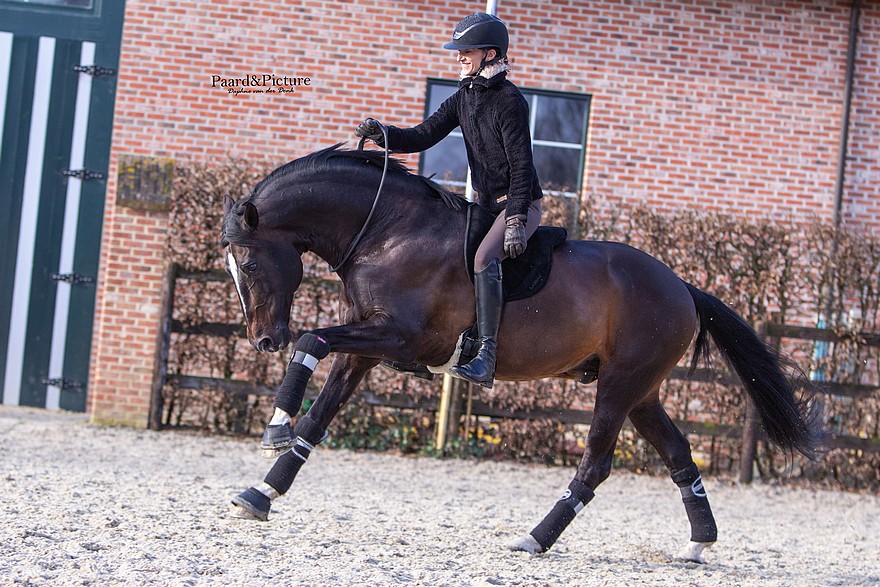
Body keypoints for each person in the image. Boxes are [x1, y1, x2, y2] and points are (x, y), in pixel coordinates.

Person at [355, 12, 543, 389]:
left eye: (466, 51)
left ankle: (486, 356)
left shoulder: (509, 102)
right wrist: (384, 134)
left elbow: (523, 167)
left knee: (483, 258)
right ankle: (434, 351)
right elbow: (423, 135)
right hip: (487, 206)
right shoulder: (463, 98)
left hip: (519, 204)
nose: (459, 57)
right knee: (445, 255)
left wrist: (517, 220)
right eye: (459, 51)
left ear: (490, 54)